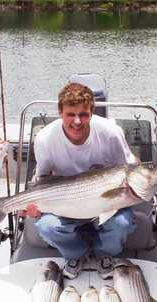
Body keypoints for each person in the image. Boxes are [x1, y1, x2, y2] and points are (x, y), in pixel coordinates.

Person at [21, 82, 137, 279]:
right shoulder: (45, 138)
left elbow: (129, 169)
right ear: (60, 112)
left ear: (92, 113)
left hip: (107, 202)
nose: (77, 121)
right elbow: (43, 179)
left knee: (123, 222)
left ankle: (103, 254)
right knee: (45, 225)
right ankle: (76, 253)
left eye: (83, 114)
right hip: (66, 202)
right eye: (70, 114)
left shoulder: (111, 133)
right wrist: (32, 205)